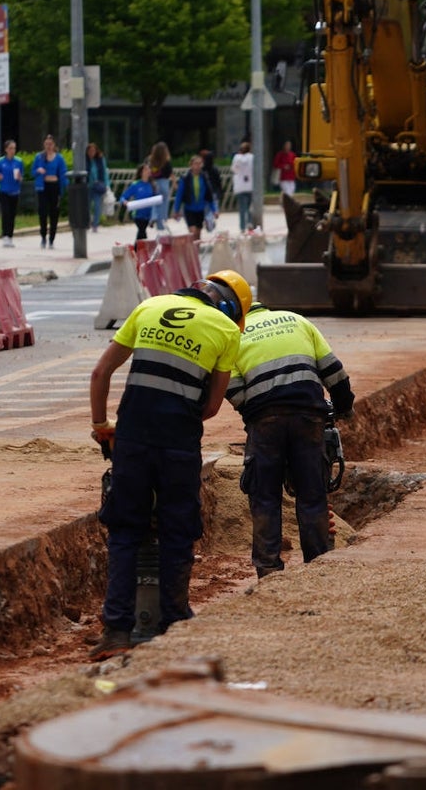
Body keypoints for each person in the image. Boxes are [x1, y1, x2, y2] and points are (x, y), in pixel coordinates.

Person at [87, 269, 254, 661]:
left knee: (126, 529)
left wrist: (102, 426)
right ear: (229, 308)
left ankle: (115, 631)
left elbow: (100, 373)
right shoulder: (226, 331)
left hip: (130, 437)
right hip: (179, 441)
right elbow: (211, 407)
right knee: (178, 530)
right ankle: (175, 620)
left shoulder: (149, 306)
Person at [225, 302, 355, 578]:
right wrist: (343, 406)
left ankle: (269, 570)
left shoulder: (232, 334)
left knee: (264, 497)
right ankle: (319, 566)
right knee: (312, 494)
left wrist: (255, 413)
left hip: (265, 422)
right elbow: (333, 370)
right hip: (308, 416)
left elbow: (233, 388)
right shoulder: (297, 320)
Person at [172, 154, 220, 242]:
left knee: (198, 234)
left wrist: (215, 210)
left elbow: (209, 196)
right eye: (195, 164)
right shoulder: (185, 178)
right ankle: (192, 253)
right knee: (192, 232)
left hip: (200, 210)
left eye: (199, 164)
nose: (197, 166)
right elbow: (179, 195)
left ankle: (196, 253)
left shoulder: (204, 177)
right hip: (189, 209)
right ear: (191, 165)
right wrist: (176, 210)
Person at [33, 134, 68, 249]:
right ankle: (43, 236)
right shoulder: (39, 157)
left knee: (54, 213)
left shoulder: (59, 158)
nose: (48, 146)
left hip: (54, 186)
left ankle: (52, 239)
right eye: (46, 144)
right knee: (42, 212)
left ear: (54, 145)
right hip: (43, 187)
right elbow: (33, 172)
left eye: (50, 144)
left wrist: (65, 188)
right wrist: (38, 170)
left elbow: (63, 174)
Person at [0, 140, 24, 248]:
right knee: (5, 213)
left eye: (14, 148)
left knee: (12, 214)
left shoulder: (19, 161)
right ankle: (5, 235)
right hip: (3, 190)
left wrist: (20, 177)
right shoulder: (0, 162)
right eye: (10, 148)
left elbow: (21, 176)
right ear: (6, 149)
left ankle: (10, 236)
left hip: (15, 190)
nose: (12, 150)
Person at [119, 163, 157, 241]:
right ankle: (139, 250)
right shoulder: (136, 184)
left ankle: (138, 250)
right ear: (141, 173)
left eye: (148, 169)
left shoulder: (152, 185)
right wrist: (124, 202)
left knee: (142, 235)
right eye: (145, 170)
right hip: (138, 214)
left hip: (148, 214)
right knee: (142, 232)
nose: (148, 171)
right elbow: (123, 197)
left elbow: (156, 199)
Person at [148, 141, 174, 231]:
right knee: (164, 204)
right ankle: (161, 224)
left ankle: (153, 216)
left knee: (155, 202)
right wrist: (174, 183)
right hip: (164, 183)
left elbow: (148, 172)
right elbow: (170, 173)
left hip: (154, 183)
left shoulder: (151, 160)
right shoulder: (166, 161)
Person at [86, 143, 111, 233]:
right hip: (88, 186)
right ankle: (87, 222)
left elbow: (104, 172)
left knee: (97, 206)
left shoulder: (100, 159)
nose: (91, 153)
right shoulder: (85, 160)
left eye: (93, 151)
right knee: (87, 206)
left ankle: (95, 224)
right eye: (90, 151)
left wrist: (107, 184)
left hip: (98, 186)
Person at [231, 141, 255, 232]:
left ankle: (242, 227)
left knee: (242, 208)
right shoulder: (252, 157)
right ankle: (250, 223)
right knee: (250, 207)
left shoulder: (236, 158)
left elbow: (234, 169)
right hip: (250, 186)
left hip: (240, 186)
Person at [200, 149, 223, 231]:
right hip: (214, 192)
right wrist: (220, 192)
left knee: (206, 209)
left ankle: (207, 220)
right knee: (213, 210)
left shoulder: (202, 169)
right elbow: (218, 182)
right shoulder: (215, 169)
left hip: (204, 193)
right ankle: (209, 222)